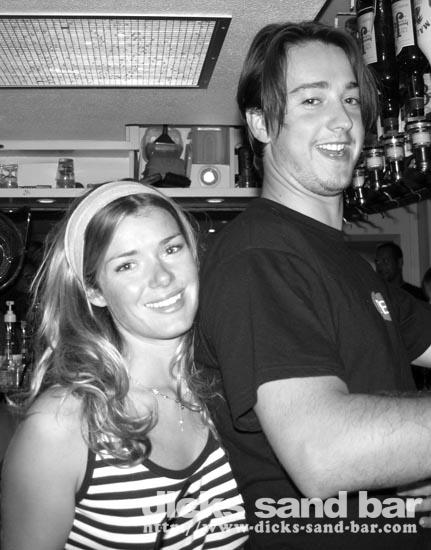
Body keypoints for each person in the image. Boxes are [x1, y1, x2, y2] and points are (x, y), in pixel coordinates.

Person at [195, 21, 431, 550]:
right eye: (311, 100)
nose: (342, 119)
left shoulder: (350, 265)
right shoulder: (259, 258)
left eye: (350, 99)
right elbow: (324, 454)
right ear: (260, 123)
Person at [1, 181, 248, 550]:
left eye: (171, 248)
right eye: (127, 265)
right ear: (94, 291)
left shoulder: (228, 384)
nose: (162, 277)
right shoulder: (61, 425)